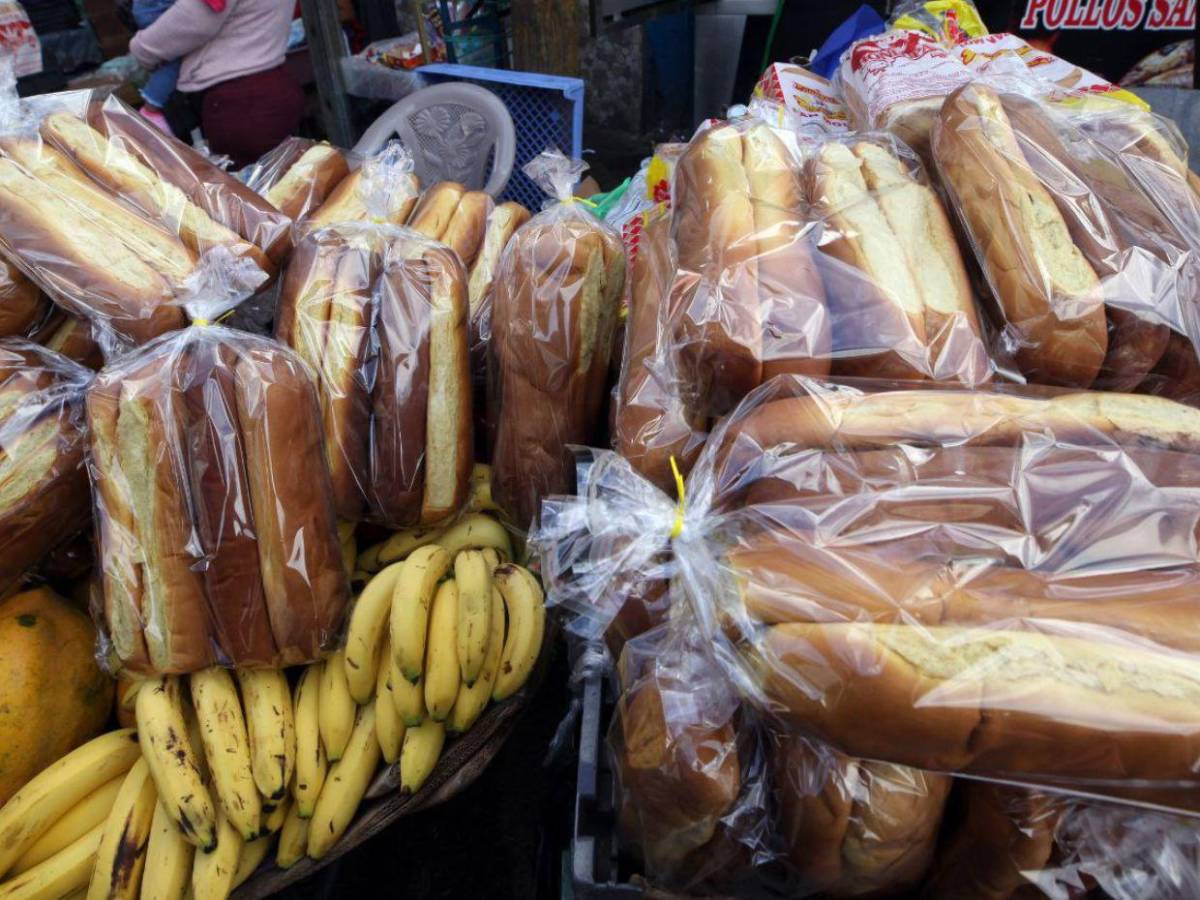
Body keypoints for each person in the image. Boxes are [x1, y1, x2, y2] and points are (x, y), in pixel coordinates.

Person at [128, 0, 304, 167]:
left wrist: (141, 49)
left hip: (240, 100)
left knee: (246, 191)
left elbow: (195, 20)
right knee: (275, 185)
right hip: (267, 85)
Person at [130, 0, 184, 133]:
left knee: (172, 59)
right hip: (157, 8)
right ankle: (151, 106)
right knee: (175, 60)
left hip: (148, 8)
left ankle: (151, 107)